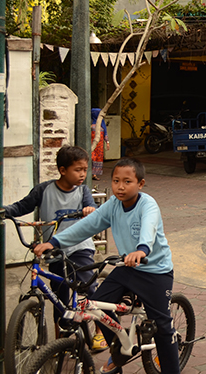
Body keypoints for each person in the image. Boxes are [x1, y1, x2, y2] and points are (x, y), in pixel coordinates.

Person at [33, 157, 180, 374]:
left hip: (154, 270)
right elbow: (86, 226)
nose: (120, 187)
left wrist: (141, 250)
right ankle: (119, 350)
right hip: (127, 268)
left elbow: (148, 230)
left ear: (140, 184)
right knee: (97, 305)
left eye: (127, 181)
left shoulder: (147, 204)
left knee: (163, 327)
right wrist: (53, 242)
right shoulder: (113, 205)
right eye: (116, 181)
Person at [4, 145, 106, 348]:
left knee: (87, 285)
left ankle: (100, 331)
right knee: (59, 297)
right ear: (62, 170)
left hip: (79, 247)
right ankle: (61, 342)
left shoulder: (83, 191)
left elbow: (92, 207)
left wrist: (89, 209)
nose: (82, 174)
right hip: (54, 251)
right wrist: (1, 211)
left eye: (84, 170)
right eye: (77, 169)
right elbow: (21, 206)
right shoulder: (43, 190)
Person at [91, 108, 109, 181]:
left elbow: (105, 133)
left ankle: (94, 174)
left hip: (99, 146)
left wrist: (107, 142)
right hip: (92, 145)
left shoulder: (101, 124)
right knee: (91, 158)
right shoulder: (90, 123)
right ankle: (91, 173)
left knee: (97, 159)